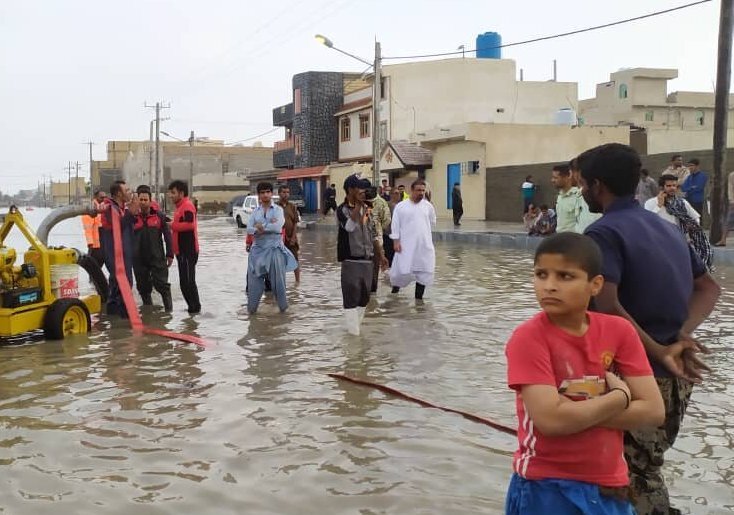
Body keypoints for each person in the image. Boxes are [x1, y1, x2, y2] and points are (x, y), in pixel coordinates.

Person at [577, 143, 721, 515]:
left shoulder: (603, 233)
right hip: (677, 377)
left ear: (597, 185)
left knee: (629, 479)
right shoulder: (664, 227)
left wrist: (659, 350)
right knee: (645, 468)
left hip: (637, 380)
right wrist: (680, 337)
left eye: (582, 184)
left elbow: (606, 307)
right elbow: (708, 288)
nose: (581, 191)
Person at [504, 232, 664, 515]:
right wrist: (619, 398)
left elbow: (653, 411)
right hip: (545, 486)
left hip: (610, 485)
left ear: (595, 285)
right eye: (541, 274)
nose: (549, 286)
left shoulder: (619, 331)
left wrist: (573, 413)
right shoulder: (529, 338)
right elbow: (551, 421)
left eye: (565, 277)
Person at [337, 175, 387, 335]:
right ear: (350, 190)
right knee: (351, 300)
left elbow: (372, 232)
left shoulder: (367, 209)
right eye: (359, 188)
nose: (363, 191)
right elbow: (350, 227)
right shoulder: (342, 210)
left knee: (364, 299)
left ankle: (353, 332)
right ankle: (354, 341)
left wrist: (381, 254)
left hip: (368, 261)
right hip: (351, 261)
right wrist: (358, 206)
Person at [246, 182, 297, 314]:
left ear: (272, 193)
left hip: (275, 249)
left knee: (278, 285)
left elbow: (277, 227)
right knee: (253, 286)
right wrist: (262, 227)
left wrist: (260, 226)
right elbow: (249, 228)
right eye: (262, 192)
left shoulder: (278, 210)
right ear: (258, 195)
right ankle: (252, 314)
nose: (265, 195)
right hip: (257, 251)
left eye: (267, 192)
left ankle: (283, 313)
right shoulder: (255, 212)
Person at [644, 174, 713, 272]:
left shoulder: (682, 203)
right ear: (661, 187)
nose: (672, 188)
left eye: (674, 186)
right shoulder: (651, 203)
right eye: (668, 186)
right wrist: (659, 205)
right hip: (659, 242)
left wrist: (690, 226)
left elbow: (696, 218)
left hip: (679, 241)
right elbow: (648, 221)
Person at [389, 179, 436, 300]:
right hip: (405, 246)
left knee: (423, 271)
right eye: (418, 190)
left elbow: (432, 222)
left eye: (423, 190)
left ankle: (419, 302)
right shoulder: (401, 206)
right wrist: (396, 241)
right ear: (412, 190)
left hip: (423, 246)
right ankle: (394, 296)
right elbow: (395, 225)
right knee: (400, 271)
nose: (421, 193)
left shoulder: (428, 206)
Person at [99, 180, 140, 317]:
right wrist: (130, 213)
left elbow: (129, 225)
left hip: (125, 254)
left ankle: (115, 323)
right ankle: (124, 323)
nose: (130, 192)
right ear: (118, 193)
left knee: (118, 287)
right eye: (126, 190)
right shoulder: (110, 208)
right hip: (116, 256)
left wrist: (134, 212)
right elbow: (118, 227)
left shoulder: (122, 208)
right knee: (123, 286)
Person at [132, 185, 173, 311]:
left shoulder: (159, 216)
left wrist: (170, 254)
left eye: (146, 200)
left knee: (162, 285)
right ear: (137, 200)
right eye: (141, 200)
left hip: (157, 257)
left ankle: (168, 312)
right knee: (143, 288)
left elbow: (167, 236)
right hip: (138, 259)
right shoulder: (132, 217)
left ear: (150, 201)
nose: (143, 202)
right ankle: (148, 315)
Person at [168, 180, 201, 314]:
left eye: (173, 193)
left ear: (181, 193)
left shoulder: (187, 205)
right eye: (170, 192)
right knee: (184, 283)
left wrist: (172, 225)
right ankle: (192, 311)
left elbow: (190, 225)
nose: (170, 195)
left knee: (188, 283)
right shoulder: (180, 207)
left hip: (188, 250)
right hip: (181, 251)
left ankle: (195, 310)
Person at [367, 186, 391, 292]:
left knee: (375, 263)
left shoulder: (381, 202)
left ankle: (372, 291)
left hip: (376, 237)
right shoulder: (361, 200)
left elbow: (386, 220)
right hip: (361, 239)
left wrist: (378, 228)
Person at [570, 158, 602, 233]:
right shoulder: (578, 194)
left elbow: (588, 222)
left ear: (577, 173)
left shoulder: (588, 194)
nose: (569, 176)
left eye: (570, 172)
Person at [277, 184, 301, 283]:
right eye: (283, 192)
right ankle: (281, 282)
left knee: (295, 259)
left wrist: (293, 237)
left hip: (291, 238)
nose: (286, 194)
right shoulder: (275, 207)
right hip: (279, 239)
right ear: (279, 193)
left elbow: (295, 222)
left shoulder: (292, 206)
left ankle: (297, 282)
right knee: (279, 261)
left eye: (287, 192)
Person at [551, 164, 580, 232]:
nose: (552, 180)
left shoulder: (578, 196)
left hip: (573, 239)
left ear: (568, 177)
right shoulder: (559, 197)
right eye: (552, 177)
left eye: (556, 178)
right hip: (560, 238)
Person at [83, 189, 106, 268]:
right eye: (101, 197)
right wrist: (90, 243)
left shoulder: (103, 207)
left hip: (102, 241)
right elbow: (87, 228)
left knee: (101, 260)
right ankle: (93, 279)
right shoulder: (91, 209)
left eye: (104, 197)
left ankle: (95, 278)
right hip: (95, 244)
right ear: (95, 197)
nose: (103, 199)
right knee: (94, 262)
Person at [714, 170, 734, 246]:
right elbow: (730, 188)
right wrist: (731, 200)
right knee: (728, 221)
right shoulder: (732, 175)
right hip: (733, 202)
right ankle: (723, 240)